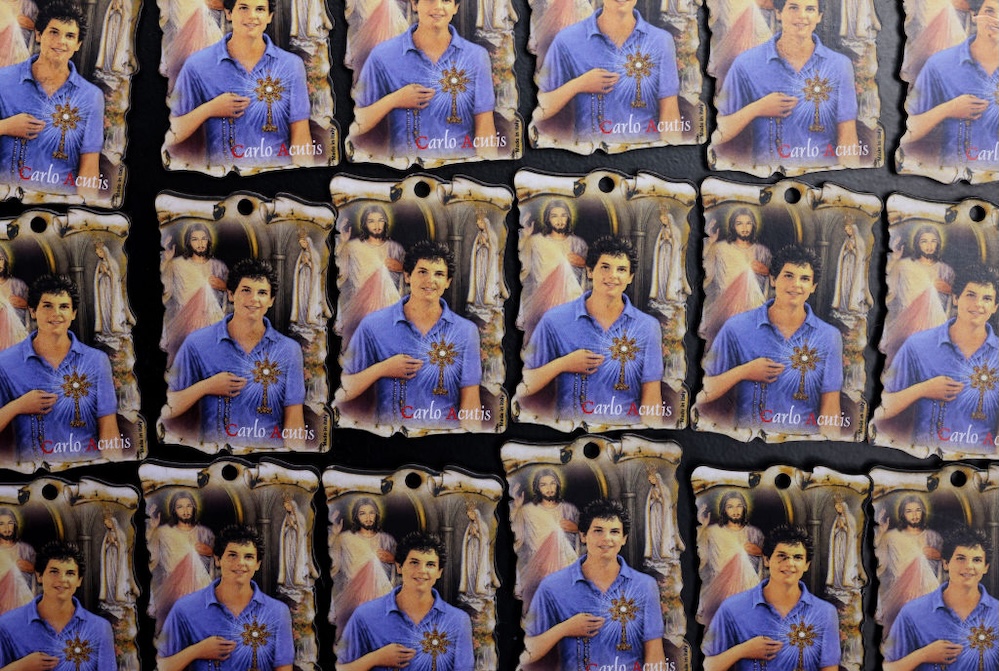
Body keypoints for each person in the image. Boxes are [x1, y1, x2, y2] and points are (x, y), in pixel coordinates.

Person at [697, 244, 844, 436]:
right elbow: (703, 392)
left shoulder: (829, 337)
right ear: (773, 279)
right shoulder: (736, 328)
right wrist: (744, 372)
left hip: (801, 444)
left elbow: (830, 409)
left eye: (805, 279)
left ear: (813, 287)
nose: (796, 285)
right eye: (788, 276)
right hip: (749, 443)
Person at [337, 241, 483, 431]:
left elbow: (471, 402)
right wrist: (382, 369)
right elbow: (343, 390)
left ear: (448, 282)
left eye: (439, 274)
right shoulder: (373, 325)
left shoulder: (466, 331)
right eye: (422, 272)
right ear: (407, 276)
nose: (430, 280)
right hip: (391, 439)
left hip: (444, 438)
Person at [519, 236, 665, 425]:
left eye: (621, 269)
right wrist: (563, 364)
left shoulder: (648, 326)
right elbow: (525, 384)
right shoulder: (554, 320)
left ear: (630, 277)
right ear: (589, 271)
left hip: (625, 433)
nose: (613, 276)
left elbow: (652, 398)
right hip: (571, 432)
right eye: (605, 267)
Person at [164, 258, 307, 449]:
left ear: (271, 301)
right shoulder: (197, 343)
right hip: (216, 458)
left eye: (262, 293)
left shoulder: (289, 350)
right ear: (231, 295)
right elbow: (168, 408)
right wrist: (206, 386)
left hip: (268, 458)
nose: (254, 299)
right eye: (246, 290)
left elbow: (294, 421)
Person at [713, 0, 861, 168]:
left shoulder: (839, 65)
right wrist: (757, 109)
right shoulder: (746, 63)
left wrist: (848, 177)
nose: (802, 16)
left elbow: (848, 138)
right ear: (778, 13)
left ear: (819, 16)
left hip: (820, 174)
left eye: (810, 9)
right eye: (793, 7)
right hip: (769, 175)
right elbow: (718, 132)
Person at [522, 499, 666, 671]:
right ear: (583, 536)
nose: (607, 538)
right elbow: (527, 652)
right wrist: (564, 628)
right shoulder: (552, 587)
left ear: (624, 539)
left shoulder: (645, 586)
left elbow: (655, 655)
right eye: (598, 531)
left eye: (614, 532)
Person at [167, 0, 313, 169]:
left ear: (269, 16)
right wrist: (209, 109)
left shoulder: (291, 65)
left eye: (260, 9)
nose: (252, 16)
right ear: (229, 13)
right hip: (225, 178)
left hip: (277, 177)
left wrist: (302, 177)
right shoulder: (198, 65)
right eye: (243, 8)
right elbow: (171, 134)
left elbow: (301, 135)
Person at [351, 0, 498, 160]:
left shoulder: (476, 56)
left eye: (446, 1)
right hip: (406, 168)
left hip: (460, 167)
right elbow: (356, 123)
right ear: (415, 4)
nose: (438, 7)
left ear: (455, 8)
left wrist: (486, 168)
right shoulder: (383, 55)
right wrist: (394, 100)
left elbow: (485, 126)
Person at [874, 267, 999, 454]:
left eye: (987, 299)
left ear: (995, 307)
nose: (978, 304)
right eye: (971, 295)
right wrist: (924, 389)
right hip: (924, 459)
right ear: (956, 298)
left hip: (977, 462)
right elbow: (882, 408)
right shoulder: (918, 345)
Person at [0, 275, 120, 463]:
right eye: (47, 306)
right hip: (34, 473)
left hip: (87, 470)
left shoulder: (96, 361)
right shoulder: (6, 362)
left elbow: (109, 430)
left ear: (73, 313)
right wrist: (18, 406)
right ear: (33, 311)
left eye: (64, 306)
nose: (56, 313)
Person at [533, 0, 683, 145]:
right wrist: (578, 85)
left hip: (644, 153)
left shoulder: (661, 41)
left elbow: (669, 114)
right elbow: (538, 110)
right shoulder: (567, 40)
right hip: (592, 155)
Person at [0, 0, 104, 200]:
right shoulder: (3, 81)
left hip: (58, 204)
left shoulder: (91, 97)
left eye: (70, 36)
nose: (61, 41)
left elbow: (89, 169)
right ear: (39, 35)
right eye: (54, 32)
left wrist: (83, 212)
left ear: (78, 45)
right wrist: (5, 126)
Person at [702, 525, 840, 671]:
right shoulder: (732, 608)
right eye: (782, 556)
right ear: (767, 560)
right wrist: (742, 650)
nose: (790, 564)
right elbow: (707, 666)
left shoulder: (825, 613)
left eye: (798, 557)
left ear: (806, 565)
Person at [157, 525, 294, 671]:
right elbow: (161, 667)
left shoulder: (278, 612)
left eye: (248, 557)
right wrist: (197, 651)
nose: (240, 563)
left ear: (257, 564)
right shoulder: (185, 608)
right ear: (218, 560)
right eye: (232, 555)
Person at [338, 532, 474, 671]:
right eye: (414, 563)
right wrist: (375, 658)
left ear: (439, 572)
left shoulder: (458, 620)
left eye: (430, 564)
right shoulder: (365, 615)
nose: (422, 571)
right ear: (399, 567)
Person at [883, 527, 997, 671]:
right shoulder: (912, 613)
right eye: (961, 558)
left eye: (977, 560)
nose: (969, 566)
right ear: (946, 563)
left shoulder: (996, 614)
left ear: (986, 567)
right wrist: (923, 655)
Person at [903, 0, 999, 170]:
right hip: (956, 175)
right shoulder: (940, 65)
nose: (996, 20)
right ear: (975, 15)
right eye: (990, 11)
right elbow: (907, 130)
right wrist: (949, 109)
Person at [0, 541, 115, 671]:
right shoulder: (7, 625)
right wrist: (20, 667)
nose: (62, 579)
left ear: (79, 580)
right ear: (39, 576)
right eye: (54, 572)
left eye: (70, 573)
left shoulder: (99, 628)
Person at [882, 225, 955, 366]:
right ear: (917, 243)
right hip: (907, 326)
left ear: (938, 243)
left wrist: (947, 289)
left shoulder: (945, 270)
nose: (929, 246)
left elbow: (951, 301)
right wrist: (893, 261)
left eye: (933, 241)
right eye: (924, 241)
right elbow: (888, 290)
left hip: (935, 327)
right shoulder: (904, 265)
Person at [517, 199, 587, 343]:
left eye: (563, 215)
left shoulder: (578, 244)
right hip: (542, 306)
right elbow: (521, 266)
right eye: (554, 216)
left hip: (570, 305)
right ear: (547, 219)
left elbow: (591, 274)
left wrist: (583, 263)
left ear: (569, 217)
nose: (559, 220)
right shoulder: (536, 241)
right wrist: (524, 238)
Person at [335, 205, 405, 349]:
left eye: (380, 220)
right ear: (364, 224)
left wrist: (402, 268)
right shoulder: (353, 246)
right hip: (360, 311)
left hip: (389, 311)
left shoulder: (395, 248)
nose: (376, 225)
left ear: (385, 223)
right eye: (371, 221)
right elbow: (339, 274)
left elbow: (410, 278)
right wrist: (342, 243)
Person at [700, 207, 771, 348]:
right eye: (739, 223)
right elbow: (704, 272)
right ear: (733, 226)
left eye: (748, 223)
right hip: (725, 312)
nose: (744, 228)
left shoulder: (762, 251)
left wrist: (766, 271)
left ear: (754, 225)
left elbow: (774, 280)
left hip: (753, 312)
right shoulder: (721, 248)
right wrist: (709, 243)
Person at [510, 469, 580, 609]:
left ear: (558, 485)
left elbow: (587, 537)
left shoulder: (569, 510)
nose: (549, 488)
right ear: (537, 488)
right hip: (537, 571)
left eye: (552, 483)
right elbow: (514, 536)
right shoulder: (527, 510)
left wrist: (577, 529)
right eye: (543, 485)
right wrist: (516, 509)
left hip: (565, 569)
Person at [160, 223, 229, 366]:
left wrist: (224, 286)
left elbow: (236, 296)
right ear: (188, 242)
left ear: (209, 241)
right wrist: (166, 262)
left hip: (212, 327)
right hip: (184, 329)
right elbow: (164, 291)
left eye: (203, 239)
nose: (200, 243)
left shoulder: (219, 267)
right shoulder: (177, 264)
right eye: (195, 239)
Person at [875, 495, 943, 634]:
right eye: (909, 511)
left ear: (923, 512)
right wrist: (881, 534)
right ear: (902, 514)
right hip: (899, 596)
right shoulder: (892, 536)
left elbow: (945, 566)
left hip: (927, 595)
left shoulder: (933, 536)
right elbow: (879, 563)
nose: (914, 515)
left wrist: (938, 556)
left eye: (918, 510)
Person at [148, 491, 216, 631]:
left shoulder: (204, 533)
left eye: (188, 506)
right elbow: (150, 559)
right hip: (172, 592)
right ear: (173, 510)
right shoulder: (164, 532)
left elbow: (220, 560)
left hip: (199, 591)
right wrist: (152, 530)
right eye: (180, 507)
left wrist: (210, 552)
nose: (185, 511)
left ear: (194, 507)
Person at [330, 497, 396, 635]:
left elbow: (405, 568)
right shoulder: (345, 538)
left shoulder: (387, 540)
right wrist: (333, 537)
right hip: (352, 601)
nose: (368, 517)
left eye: (371, 513)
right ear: (356, 517)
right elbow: (331, 565)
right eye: (362, 513)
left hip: (380, 601)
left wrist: (393, 559)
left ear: (377, 515)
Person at [696, 491, 764, 625]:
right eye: (730, 507)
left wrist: (758, 552)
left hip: (747, 591)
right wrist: (702, 528)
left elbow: (766, 562)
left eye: (739, 506)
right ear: (724, 510)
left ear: (744, 508)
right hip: (719, 592)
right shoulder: (713, 531)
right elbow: (700, 557)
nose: (735, 511)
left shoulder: (754, 533)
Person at [649, 206, 688, 310]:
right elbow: (658, 244)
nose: (663, 221)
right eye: (661, 219)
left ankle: (670, 298)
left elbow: (678, 245)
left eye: (664, 219)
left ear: (669, 218)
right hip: (662, 255)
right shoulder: (662, 230)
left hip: (671, 257)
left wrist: (669, 240)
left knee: (668, 274)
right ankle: (661, 297)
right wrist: (663, 241)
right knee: (662, 275)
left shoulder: (675, 230)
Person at [467, 211, 506, 310]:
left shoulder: (491, 234)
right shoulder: (478, 235)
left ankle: (487, 302)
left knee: (485, 279)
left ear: (485, 223)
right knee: (479, 280)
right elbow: (475, 249)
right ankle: (478, 302)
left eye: (480, 223)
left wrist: (486, 244)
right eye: (477, 224)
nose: (478, 225)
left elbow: (495, 250)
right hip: (479, 260)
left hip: (488, 263)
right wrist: (479, 246)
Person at [93, 240, 130, 339]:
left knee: (110, 307)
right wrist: (101, 274)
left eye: (99, 252)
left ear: (104, 252)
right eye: (97, 253)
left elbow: (117, 278)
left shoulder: (112, 262)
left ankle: (113, 329)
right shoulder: (99, 263)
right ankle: (105, 331)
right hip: (102, 288)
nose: (98, 254)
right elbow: (97, 278)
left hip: (111, 290)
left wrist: (108, 272)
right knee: (104, 308)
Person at [644, 469, 682, 566]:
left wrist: (659, 499)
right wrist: (653, 500)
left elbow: (668, 504)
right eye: (649, 480)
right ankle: (655, 557)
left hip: (662, 515)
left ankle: (663, 556)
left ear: (656, 478)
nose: (650, 481)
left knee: (661, 533)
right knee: (654, 534)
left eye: (652, 479)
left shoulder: (664, 489)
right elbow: (649, 504)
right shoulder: (651, 490)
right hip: (654, 514)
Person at [278, 495, 316, 590]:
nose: (286, 508)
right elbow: (283, 532)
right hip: (288, 541)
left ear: (292, 505)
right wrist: (288, 527)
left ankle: (297, 583)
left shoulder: (300, 517)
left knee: (295, 560)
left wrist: (294, 526)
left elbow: (303, 532)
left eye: (288, 506)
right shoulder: (286, 517)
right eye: (285, 506)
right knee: (288, 560)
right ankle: (289, 583)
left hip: (297, 543)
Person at [290, 231, 325, 332]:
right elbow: (297, 268)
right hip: (302, 279)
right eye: (300, 243)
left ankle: (310, 320)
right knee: (302, 298)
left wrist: (308, 263)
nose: (302, 244)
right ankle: (301, 321)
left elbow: (317, 268)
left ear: (308, 242)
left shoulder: (314, 254)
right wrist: (302, 264)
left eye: (303, 242)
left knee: (308, 298)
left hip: (311, 280)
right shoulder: (301, 254)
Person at [831, 218, 868, 314]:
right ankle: (843, 307)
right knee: (844, 285)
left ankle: (852, 306)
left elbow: (862, 256)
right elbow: (842, 255)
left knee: (852, 284)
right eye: (846, 230)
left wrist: (853, 250)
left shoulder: (859, 241)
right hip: (846, 266)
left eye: (849, 229)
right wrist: (846, 251)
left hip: (854, 268)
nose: (847, 232)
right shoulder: (846, 241)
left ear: (853, 229)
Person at [0, 508, 33, 614]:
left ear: (15, 525)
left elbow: (42, 574)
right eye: (1, 524)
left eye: (10, 523)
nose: (6, 528)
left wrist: (31, 568)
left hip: (23, 605)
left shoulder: (26, 549)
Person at [458, 504, 495, 598]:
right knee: (470, 569)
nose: (469, 517)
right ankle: (470, 592)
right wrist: (470, 536)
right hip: (471, 549)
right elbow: (466, 539)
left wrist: (477, 534)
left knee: (477, 569)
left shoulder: (483, 525)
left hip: (479, 551)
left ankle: (478, 591)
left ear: (475, 514)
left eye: (470, 514)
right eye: (468, 515)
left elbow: (486, 541)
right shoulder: (469, 526)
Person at [99, 510, 131, 606]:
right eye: (106, 524)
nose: (107, 525)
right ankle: (110, 599)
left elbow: (124, 547)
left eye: (108, 523)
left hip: (117, 559)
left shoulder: (120, 533)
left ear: (112, 522)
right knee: (109, 577)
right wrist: (109, 544)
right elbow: (104, 548)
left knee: (116, 576)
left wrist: (115, 543)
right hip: (109, 558)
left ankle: (118, 599)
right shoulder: (107, 534)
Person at [825, 494, 858, 590]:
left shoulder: (850, 518)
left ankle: (845, 583)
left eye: (839, 508)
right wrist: (838, 529)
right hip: (838, 543)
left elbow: (853, 533)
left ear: (843, 507)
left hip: (846, 545)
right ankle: (837, 584)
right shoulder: (837, 519)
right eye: (836, 508)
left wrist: (844, 527)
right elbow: (833, 533)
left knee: (844, 562)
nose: (838, 510)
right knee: (837, 562)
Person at [0, 248, 27, 352]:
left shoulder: (18, 285)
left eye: (0, 259)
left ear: (5, 261)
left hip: (16, 337)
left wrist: (24, 304)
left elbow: (36, 308)